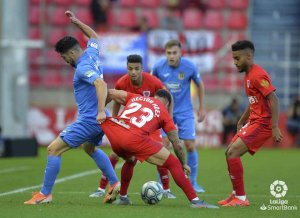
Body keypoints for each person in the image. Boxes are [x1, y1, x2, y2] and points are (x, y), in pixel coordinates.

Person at [24, 10, 120, 205]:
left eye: (64, 57)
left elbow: (101, 85)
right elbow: (94, 36)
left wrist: (100, 110)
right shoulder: (91, 53)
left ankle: (45, 194)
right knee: (90, 148)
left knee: (53, 150)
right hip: (99, 120)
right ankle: (114, 182)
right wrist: (76, 22)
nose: (65, 61)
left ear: (72, 52)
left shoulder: (83, 68)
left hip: (90, 120)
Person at [101, 88, 218, 208]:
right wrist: (183, 164)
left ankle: (123, 197)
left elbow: (109, 92)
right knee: (173, 163)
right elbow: (177, 144)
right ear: (167, 103)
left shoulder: (136, 97)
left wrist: (100, 110)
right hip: (133, 138)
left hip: (114, 133)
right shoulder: (163, 112)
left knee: (130, 160)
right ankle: (195, 201)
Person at [89, 54, 176, 200]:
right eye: (130, 69)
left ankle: (166, 189)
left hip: (151, 125)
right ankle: (102, 188)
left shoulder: (153, 81)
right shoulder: (122, 82)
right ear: (127, 68)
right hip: (129, 123)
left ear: (142, 68)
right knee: (115, 155)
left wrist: (169, 119)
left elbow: (168, 96)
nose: (133, 72)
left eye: (136, 69)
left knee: (162, 152)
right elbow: (116, 101)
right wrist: (115, 120)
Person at [218, 40, 283, 207]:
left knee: (233, 153)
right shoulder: (248, 76)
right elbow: (254, 101)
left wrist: (275, 126)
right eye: (233, 59)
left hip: (263, 123)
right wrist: (242, 119)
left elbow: (274, 99)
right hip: (254, 120)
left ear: (248, 56)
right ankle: (235, 194)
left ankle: (241, 198)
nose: (235, 62)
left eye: (237, 58)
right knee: (228, 152)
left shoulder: (258, 75)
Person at [152, 39, 206, 193]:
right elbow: (151, 84)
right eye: (168, 53)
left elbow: (199, 84)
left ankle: (193, 182)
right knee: (163, 146)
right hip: (164, 111)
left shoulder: (189, 67)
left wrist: (202, 107)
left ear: (180, 53)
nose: (171, 56)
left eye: (174, 53)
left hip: (185, 111)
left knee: (190, 145)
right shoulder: (157, 67)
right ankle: (162, 183)